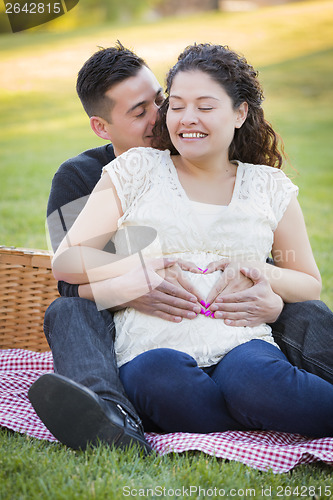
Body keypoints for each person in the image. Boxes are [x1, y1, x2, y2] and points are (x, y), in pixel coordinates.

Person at [28, 43, 333, 451]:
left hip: (239, 334)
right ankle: (109, 414)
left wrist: (266, 286)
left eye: (162, 101)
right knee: (147, 369)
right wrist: (135, 280)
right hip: (146, 335)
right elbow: (69, 274)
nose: (167, 117)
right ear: (103, 127)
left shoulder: (264, 184)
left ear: (240, 113)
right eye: (145, 111)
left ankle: (259, 402)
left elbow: (305, 281)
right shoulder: (111, 173)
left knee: (260, 371)